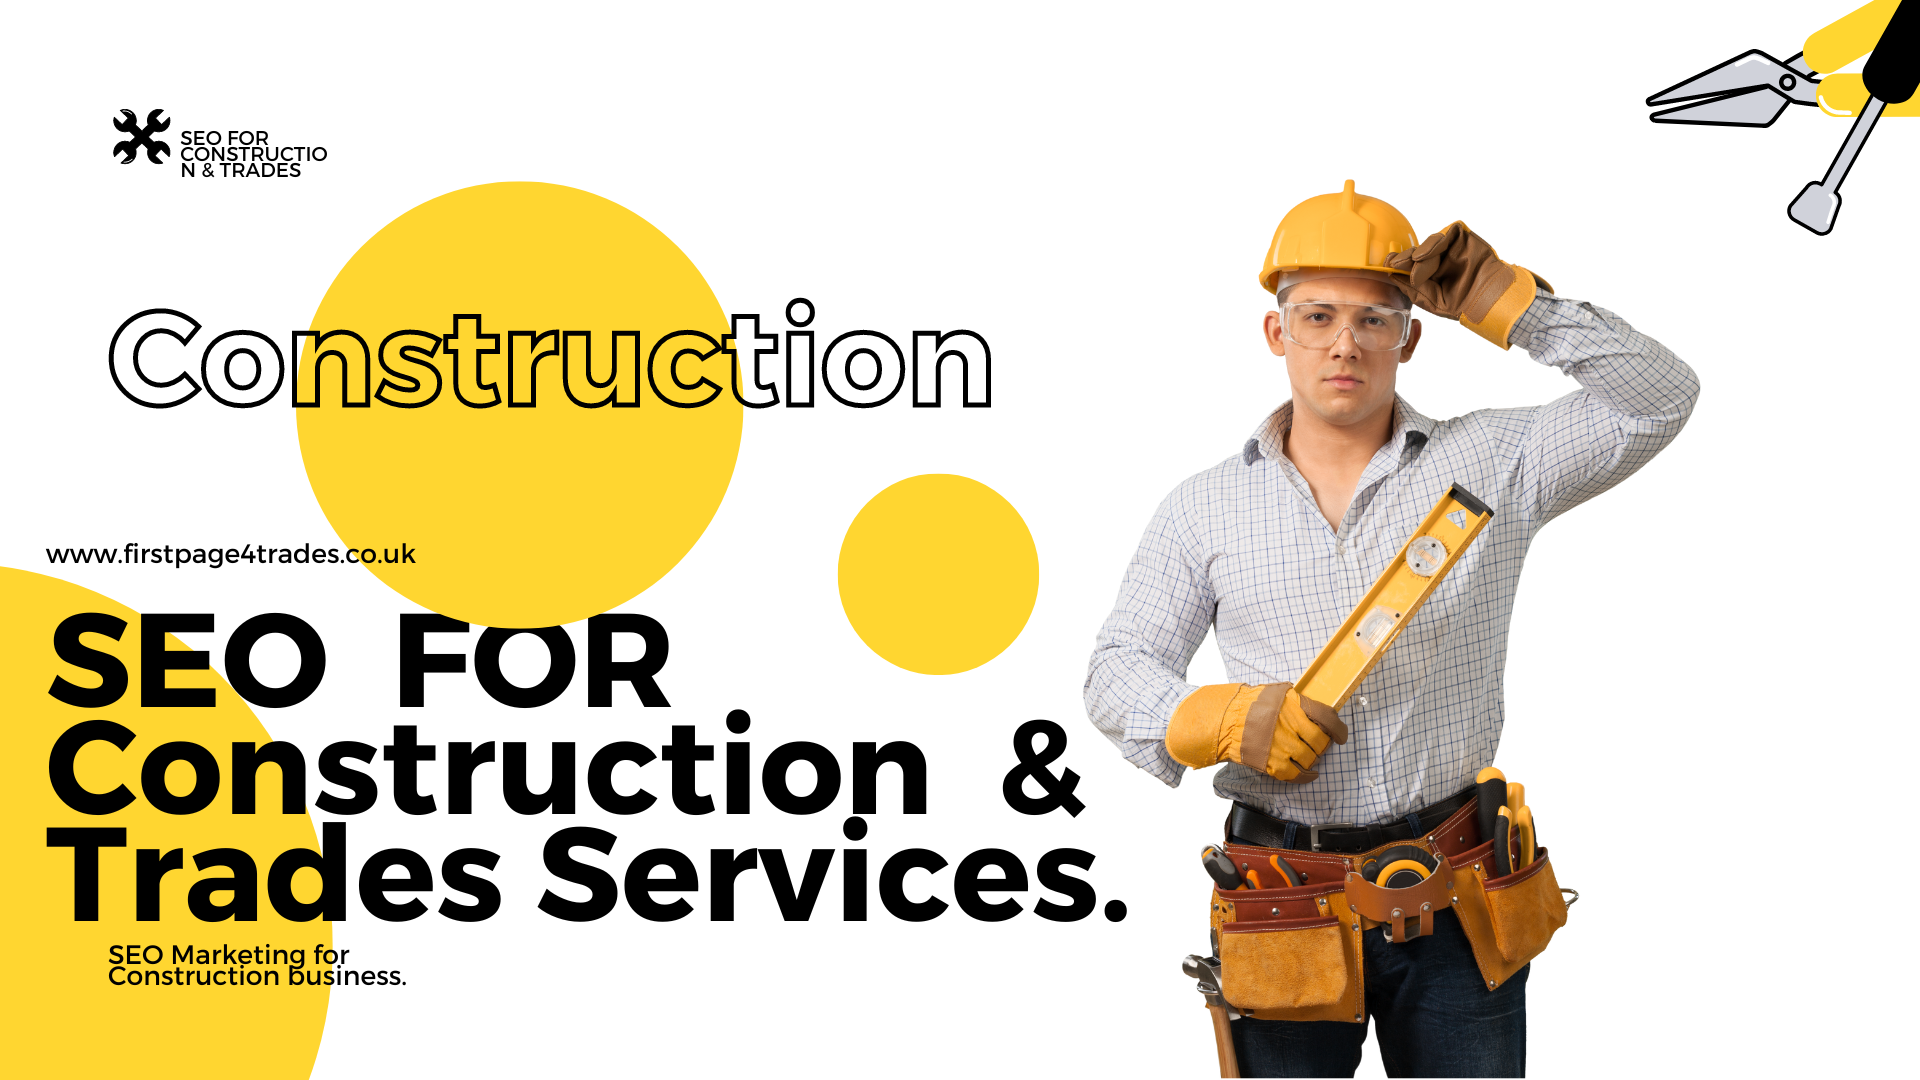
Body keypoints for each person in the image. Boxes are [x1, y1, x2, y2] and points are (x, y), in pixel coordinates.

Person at [1082, 180, 1698, 1077]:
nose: (1345, 344)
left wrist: (1514, 307)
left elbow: (1660, 399)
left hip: (1456, 891)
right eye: (1319, 316)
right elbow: (1117, 669)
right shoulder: (1202, 510)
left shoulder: (1495, 461)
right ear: (1275, 333)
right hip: (1283, 899)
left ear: (1411, 337)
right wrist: (1223, 716)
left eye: (1375, 320)